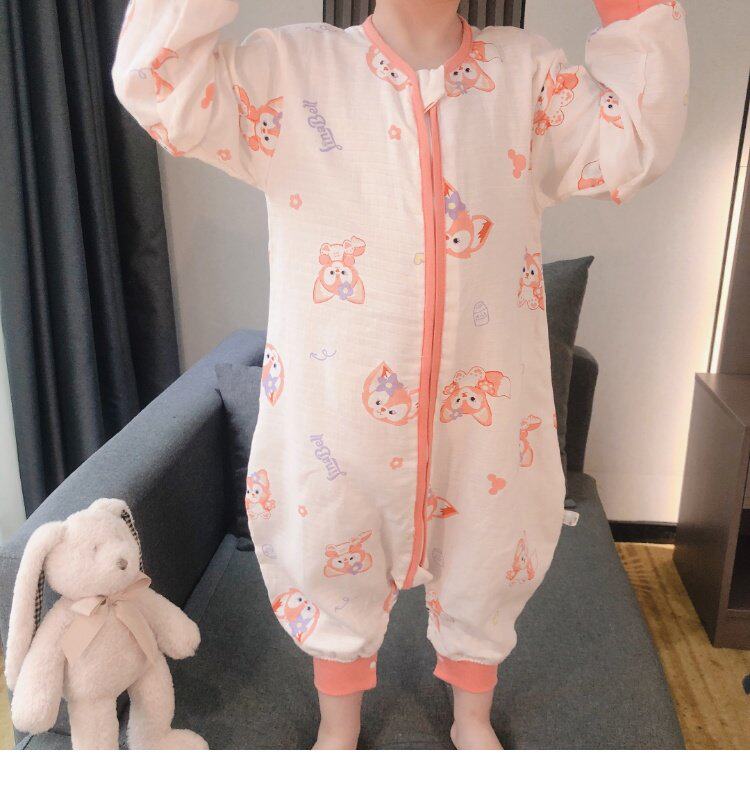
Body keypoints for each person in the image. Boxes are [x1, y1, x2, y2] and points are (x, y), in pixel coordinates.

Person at [113, 0, 689, 749]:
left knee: (490, 544)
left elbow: (634, 138)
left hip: (484, 423)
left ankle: (472, 717)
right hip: (337, 421)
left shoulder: (525, 77)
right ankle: (338, 725)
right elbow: (158, 80)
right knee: (328, 540)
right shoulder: (291, 71)